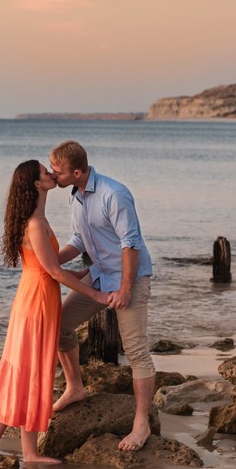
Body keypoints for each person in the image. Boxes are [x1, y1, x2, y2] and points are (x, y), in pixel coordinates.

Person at [0, 159, 111, 465]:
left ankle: (27, 451)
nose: (51, 174)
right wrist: (94, 292)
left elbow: (52, 269)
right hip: (35, 303)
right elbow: (53, 271)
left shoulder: (39, 219)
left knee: (31, 371)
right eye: (45, 172)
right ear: (37, 183)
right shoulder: (35, 224)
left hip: (39, 297)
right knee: (27, 372)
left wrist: (90, 271)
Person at [49, 140, 155, 452]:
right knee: (59, 328)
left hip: (130, 279)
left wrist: (124, 288)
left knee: (136, 351)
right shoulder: (76, 196)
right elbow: (79, 240)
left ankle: (141, 422)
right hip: (99, 275)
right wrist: (50, 260)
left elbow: (130, 242)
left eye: (57, 172)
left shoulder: (114, 193)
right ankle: (75, 387)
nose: (53, 176)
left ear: (77, 172)